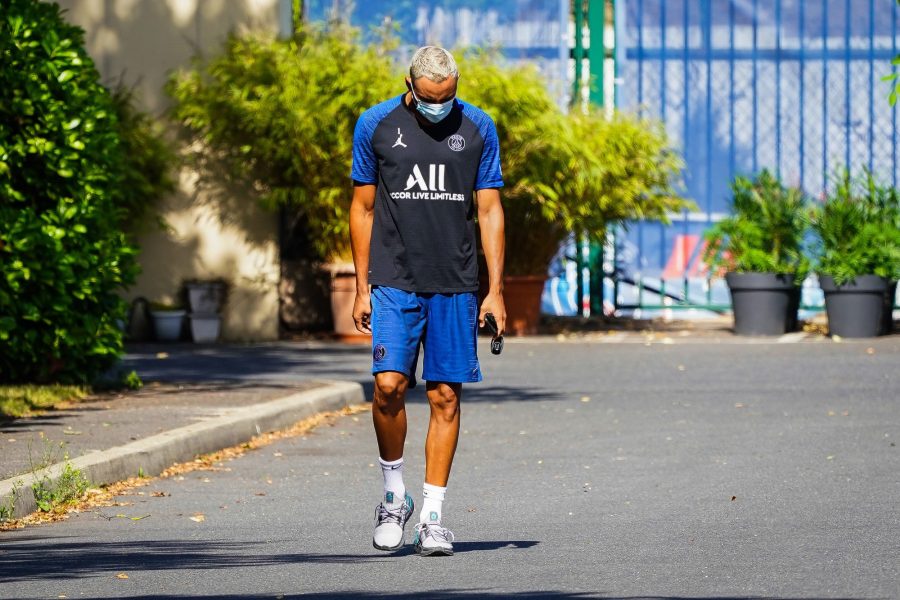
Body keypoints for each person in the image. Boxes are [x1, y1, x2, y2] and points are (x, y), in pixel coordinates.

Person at [349, 46, 506, 557]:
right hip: (394, 279)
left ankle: (433, 517)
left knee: (445, 397)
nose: (440, 107)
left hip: (455, 284)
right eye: (430, 98)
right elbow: (363, 208)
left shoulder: (479, 127)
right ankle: (394, 496)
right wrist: (359, 285)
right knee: (389, 388)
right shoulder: (375, 124)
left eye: (448, 97)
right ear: (410, 86)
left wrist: (496, 290)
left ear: (457, 85)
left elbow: (489, 212)